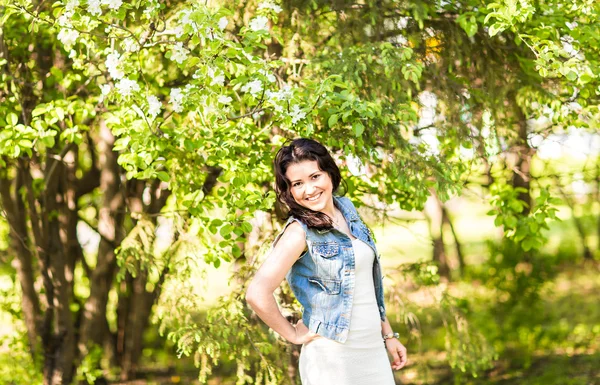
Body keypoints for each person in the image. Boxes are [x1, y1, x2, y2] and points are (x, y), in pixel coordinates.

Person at [246, 138, 407, 384]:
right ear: (289, 191)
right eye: (297, 183)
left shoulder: (347, 210)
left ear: (330, 174)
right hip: (332, 360)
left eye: (315, 177)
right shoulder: (299, 232)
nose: (309, 190)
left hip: (373, 352)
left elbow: (364, 285)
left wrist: (388, 335)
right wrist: (292, 334)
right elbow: (257, 293)